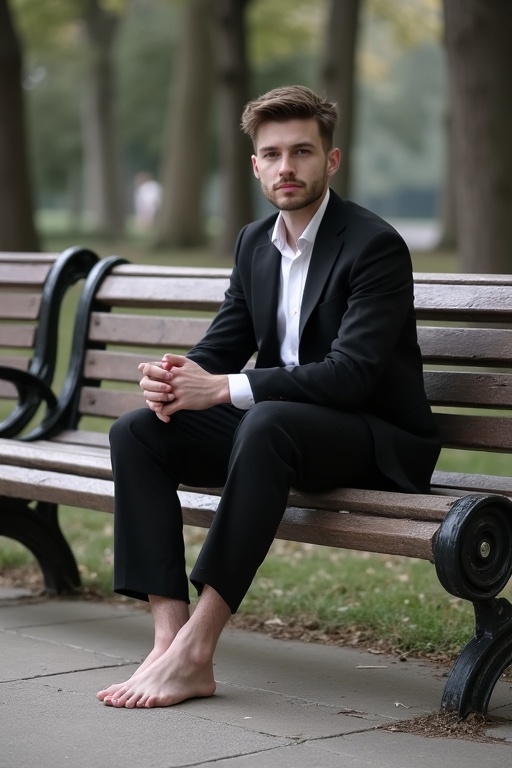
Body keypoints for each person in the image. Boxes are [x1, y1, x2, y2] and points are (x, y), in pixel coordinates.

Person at [97, 85, 441, 709]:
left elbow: (350, 376)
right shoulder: (255, 241)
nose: (288, 167)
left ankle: (200, 648)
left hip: (371, 437)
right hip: (283, 433)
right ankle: (169, 641)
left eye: (303, 152)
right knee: (137, 432)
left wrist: (223, 388)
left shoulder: (374, 245)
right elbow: (222, 345)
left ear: (331, 161)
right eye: (273, 154)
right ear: (255, 165)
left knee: (265, 422)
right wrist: (175, 379)